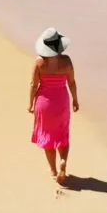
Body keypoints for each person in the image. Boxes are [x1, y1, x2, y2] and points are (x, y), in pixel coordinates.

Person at [28, 27, 79, 184]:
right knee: (62, 135)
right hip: (61, 102)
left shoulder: (39, 63)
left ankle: (53, 169)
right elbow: (71, 82)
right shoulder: (67, 61)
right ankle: (63, 160)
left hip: (44, 103)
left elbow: (33, 84)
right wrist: (75, 100)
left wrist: (30, 103)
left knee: (47, 137)